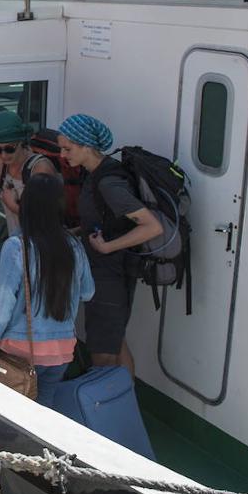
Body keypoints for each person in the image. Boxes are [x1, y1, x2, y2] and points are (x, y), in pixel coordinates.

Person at [0, 174, 94, 404]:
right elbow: (88, 292)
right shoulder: (73, 245)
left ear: (25, 207)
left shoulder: (17, 248)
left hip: (20, 352)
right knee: (43, 415)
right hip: (61, 352)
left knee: (8, 418)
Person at [56, 114, 163, 375]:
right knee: (114, 343)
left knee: (104, 354)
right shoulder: (96, 174)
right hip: (104, 273)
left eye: (67, 148)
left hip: (110, 275)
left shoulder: (108, 182)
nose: (62, 154)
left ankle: (107, 408)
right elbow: (107, 221)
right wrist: (75, 232)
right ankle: (124, 406)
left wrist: (107, 247)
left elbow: (152, 226)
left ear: (86, 146)